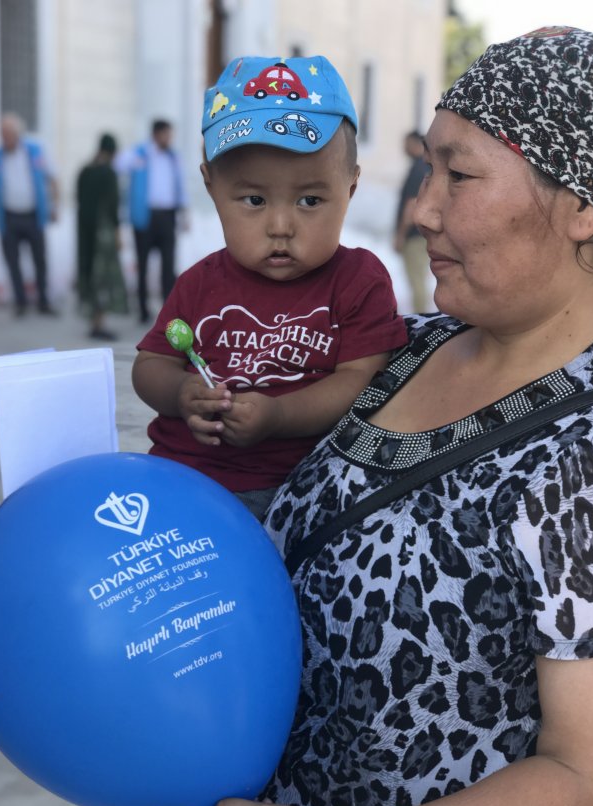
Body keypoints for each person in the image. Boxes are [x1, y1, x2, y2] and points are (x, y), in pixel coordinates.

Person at [151, 27, 593, 806]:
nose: (421, 208)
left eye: (461, 174)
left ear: (585, 206)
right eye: (427, 172)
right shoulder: (399, 349)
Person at [132, 55, 407, 520]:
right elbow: (151, 364)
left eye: (310, 200)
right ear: (212, 187)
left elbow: (358, 381)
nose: (281, 226)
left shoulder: (358, 280)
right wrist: (181, 393)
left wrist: (277, 418)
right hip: (182, 476)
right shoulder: (199, 283)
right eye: (254, 200)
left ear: (351, 188)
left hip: (295, 491)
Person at [0, 112, 59, 316]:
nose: (4, 138)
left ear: (17, 133)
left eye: (7, 133)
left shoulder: (35, 151)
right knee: (12, 262)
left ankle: (43, 301)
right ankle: (20, 302)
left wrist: (54, 206)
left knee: (40, 259)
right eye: (1, 134)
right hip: (9, 216)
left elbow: (53, 178)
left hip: (33, 215)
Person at [116, 119, 189, 323]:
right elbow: (119, 165)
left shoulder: (173, 157)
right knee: (143, 264)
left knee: (168, 264)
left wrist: (185, 214)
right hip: (145, 216)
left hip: (167, 215)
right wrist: (138, 152)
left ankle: (168, 310)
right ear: (156, 134)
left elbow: (180, 186)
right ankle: (142, 309)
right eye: (166, 134)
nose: (169, 139)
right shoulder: (141, 154)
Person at [76, 133, 128, 340]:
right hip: (102, 233)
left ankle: (91, 318)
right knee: (103, 277)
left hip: (84, 232)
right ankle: (98, 322)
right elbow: (113, 207)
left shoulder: (84, 171)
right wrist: (117, 234)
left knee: (88, 272)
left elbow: (78, 199)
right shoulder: (109, 174)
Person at [393, 129, 431, 312]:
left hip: (414, 235)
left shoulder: (418, 169)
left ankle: (422, 320)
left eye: (406, 143)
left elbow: (411, 204)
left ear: (416, 144)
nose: (404, 148)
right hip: (420, 233)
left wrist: (400, 235)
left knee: (416, 279)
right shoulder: (425, 168)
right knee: (419, 278)